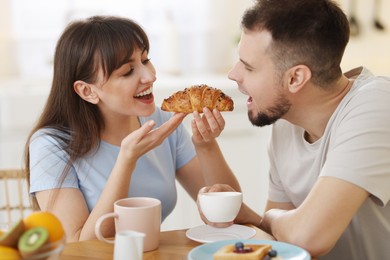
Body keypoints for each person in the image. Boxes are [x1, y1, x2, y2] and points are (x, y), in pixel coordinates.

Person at [23, 15, 258, 242]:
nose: (150, 76)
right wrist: (126, 160)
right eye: (127, 72)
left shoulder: (163, 121)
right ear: (87, 91)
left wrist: (205, 145)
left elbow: (228, 214)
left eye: (145, 60)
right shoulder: (50, 146)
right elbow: (81, 246)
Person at [199, 0, 390, 259]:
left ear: (295, 78)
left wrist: (269, 217)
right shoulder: (286, 125)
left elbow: (308, 238)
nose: (234, 75)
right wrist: (247, 216)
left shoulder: (378, 104)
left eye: (249, 67)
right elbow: (283, 244)